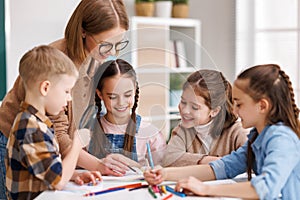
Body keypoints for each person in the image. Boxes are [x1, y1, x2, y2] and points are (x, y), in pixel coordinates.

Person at [0, 1, 130, 197]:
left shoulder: (94, 58)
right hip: (17, 143)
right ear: (84, 32)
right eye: (106, 45)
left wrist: (78, 169)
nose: (112, 53)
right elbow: (59, 132)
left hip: (51, 149)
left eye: (118, 45)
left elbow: (75, 121)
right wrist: (95, 163)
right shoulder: (59, 65)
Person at [144, 64, 300, 199]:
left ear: (262, 106)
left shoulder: (282, 139)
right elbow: (221, 168)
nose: (233, 110)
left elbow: (265, 187)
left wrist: (206, 189)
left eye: (239, 104)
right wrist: (165, 174)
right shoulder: (257, 137)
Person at [5, 45, 102, 199]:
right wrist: (77, 144)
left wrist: (74, 174)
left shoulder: (37, 122)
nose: (69, 98)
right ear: (45, 88)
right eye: (66, 91)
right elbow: (57, 181)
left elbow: (48, 172)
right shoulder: (31, 128)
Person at [88, 59, 166, 167]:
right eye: (113, 97)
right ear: (100, 94)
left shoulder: (150, 133)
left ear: (134, 90)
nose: (121, 103)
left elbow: (163, 172)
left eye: (127, 95)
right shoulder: (88, 130)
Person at [163, 69, 248, 167]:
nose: (185, 111)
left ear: (214, 111)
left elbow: (251, 161)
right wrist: (212, 160)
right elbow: (169, 159)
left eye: (195, 107)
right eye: (183, 102)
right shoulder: (183, 130)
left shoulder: (237, 131)